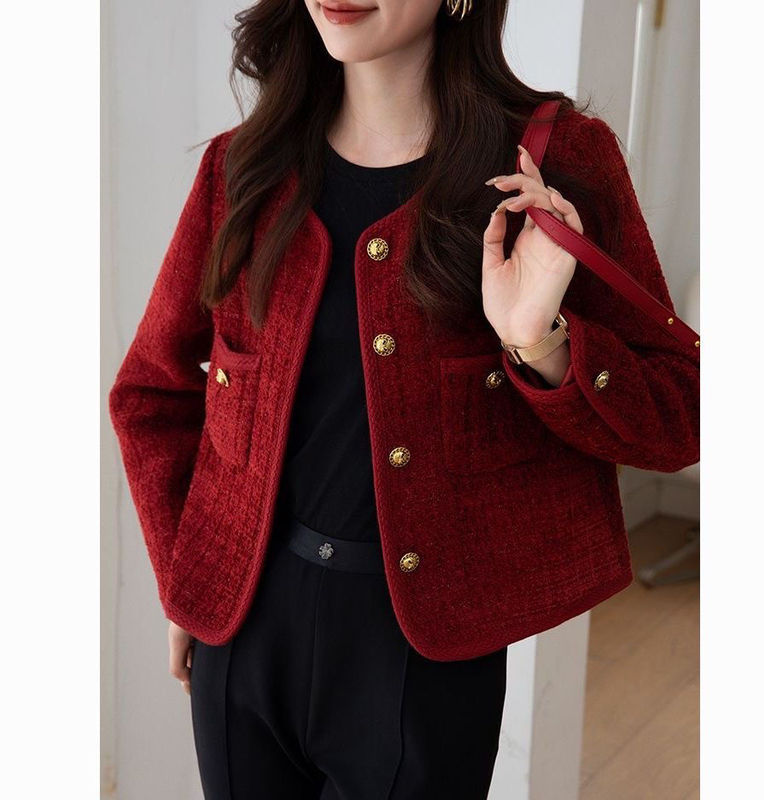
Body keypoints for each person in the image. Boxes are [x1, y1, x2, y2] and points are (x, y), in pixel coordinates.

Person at [108, 0, 701, 797]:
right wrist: (188, 582)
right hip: (244, 628)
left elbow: (681, 416)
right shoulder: (240, 167)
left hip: (426, 659)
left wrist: (541, 342)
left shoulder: (552, 164)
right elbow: (151, 392)